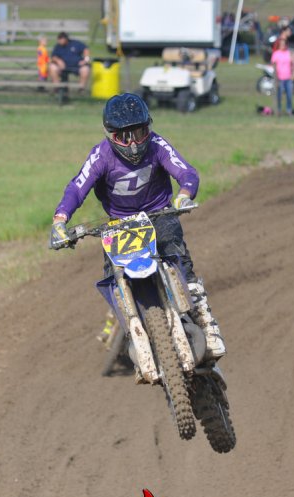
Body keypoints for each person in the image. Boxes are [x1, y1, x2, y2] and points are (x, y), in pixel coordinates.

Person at [49, 93, 226, 361]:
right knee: (112, 276)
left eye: (139, 133)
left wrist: (184, 195)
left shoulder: (157, 145)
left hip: (159, 214)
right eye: (124, 137)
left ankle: (205, 319)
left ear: (148, 128)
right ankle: (132, 330)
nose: (133, 144)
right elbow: (77, 187)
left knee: (178, 255)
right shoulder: (100, 155)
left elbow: (187, 172)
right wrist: (60, 220)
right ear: (111, 135)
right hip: (120, 224)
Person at [270, 38, 294, 116]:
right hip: (279, 78)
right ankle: (278, 110)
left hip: (288, 78)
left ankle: (289, 110)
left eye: (284, 44)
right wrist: (275, 77)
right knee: (279, 96)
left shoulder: (288, 53)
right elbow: (273, 65)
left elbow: (292, 63)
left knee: (289, 96)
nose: (283, 46)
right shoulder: (276, 54)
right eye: (281, 44)